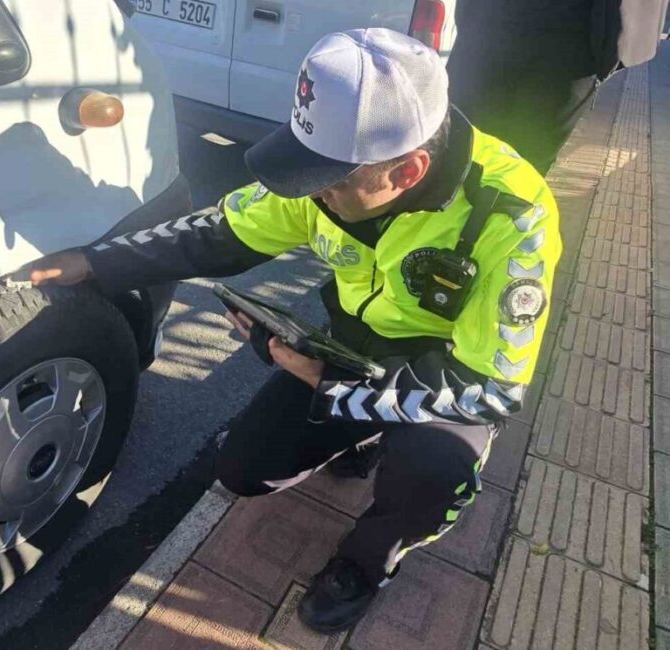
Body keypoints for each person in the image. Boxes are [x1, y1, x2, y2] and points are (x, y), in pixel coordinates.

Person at [31, 28, 561, 632]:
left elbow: (491, 386)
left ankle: (366, 562)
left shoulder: (513, 215)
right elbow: (219, 233)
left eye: (331, 181)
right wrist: (95, 263)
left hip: (442, 371)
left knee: (435, 469)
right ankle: (362, 437)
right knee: (244, 470)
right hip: (348, 349)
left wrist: (331, 385)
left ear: (408, 171)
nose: (314, 194)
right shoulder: (327, 177)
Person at [447, 0, 669, 174]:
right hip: (490, 29)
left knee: (527, 163)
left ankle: (496, 225)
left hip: (570, 48)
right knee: (458, 144)